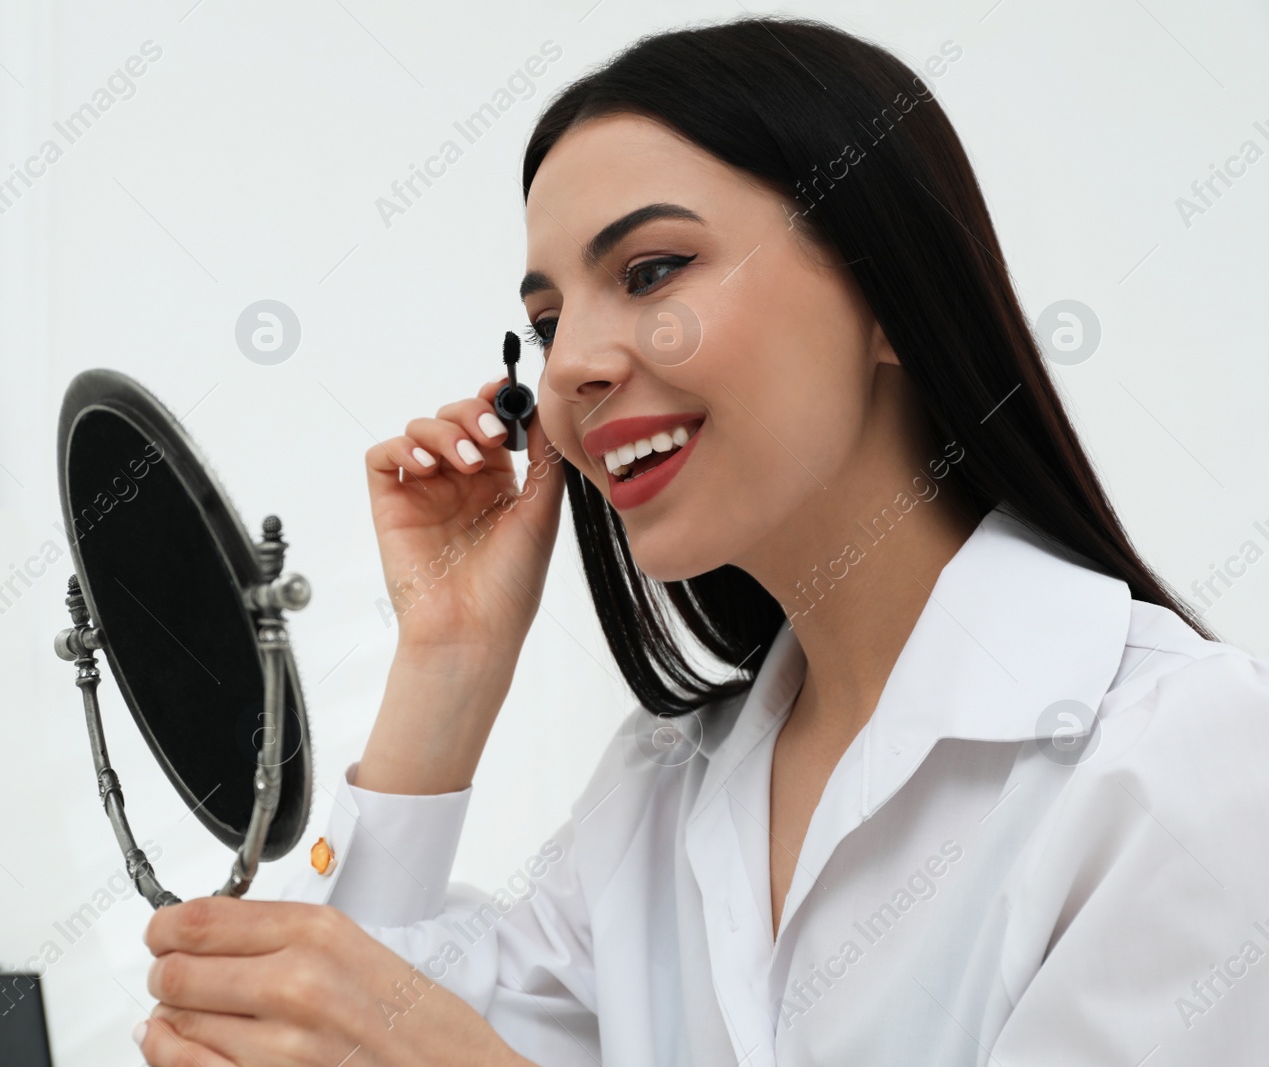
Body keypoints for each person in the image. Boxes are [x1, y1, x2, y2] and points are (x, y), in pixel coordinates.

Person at [135, 15, 1269, 1066]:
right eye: (545, 320)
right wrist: (449, 653)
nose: (573, 359)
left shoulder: (1175, 754)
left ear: (883, 288)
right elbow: (334, 1027)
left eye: (652, 271)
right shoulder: (662, 788)